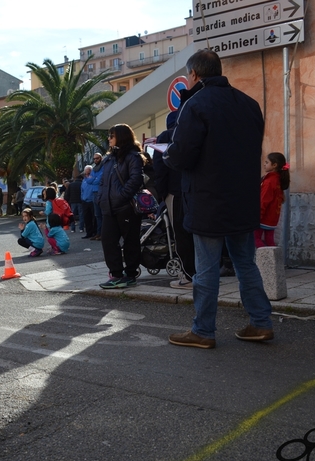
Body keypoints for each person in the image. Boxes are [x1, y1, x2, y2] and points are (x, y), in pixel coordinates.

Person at [164, 49, 273, 349]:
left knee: (207, 268)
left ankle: (203, 331)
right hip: (243, 198)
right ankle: (261, 323)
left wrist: (167, 155)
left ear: (195, 75)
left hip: (208, 200)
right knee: (245, 264)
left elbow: (183, 153)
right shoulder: (249, 104)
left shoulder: (196, 104)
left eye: (188, 75)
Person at [97, 124, 145, 289]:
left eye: (112, 135)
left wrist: (123, 196)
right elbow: (103, 181)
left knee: (130, 242)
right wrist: (100, 198)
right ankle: (116, 274)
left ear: (122, 136)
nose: (109, 139)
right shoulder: (109, 158)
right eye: (109, 135)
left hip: (126, 207)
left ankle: (130, 275)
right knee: (108, 241)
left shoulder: (132, 156)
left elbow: (136, 178)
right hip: (108, 207)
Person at [153, 112, 195, 289]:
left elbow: (160, 167)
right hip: (196, 191)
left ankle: (188, 275)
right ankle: (204, 272)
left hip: (175, 192)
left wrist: (161, 194)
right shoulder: (194, 134)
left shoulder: (166, 137)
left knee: (181, 233)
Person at [256, 152, 291, 247]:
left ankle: (266, 260)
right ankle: (274, 260)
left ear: (274, 165)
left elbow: (264, 200)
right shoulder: (278, 180)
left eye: (267, 162)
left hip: (264, 217)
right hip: (272, 218)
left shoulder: (269, 181)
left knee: (256, 238)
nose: (264, 164)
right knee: (269, 240)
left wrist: (258, 215)